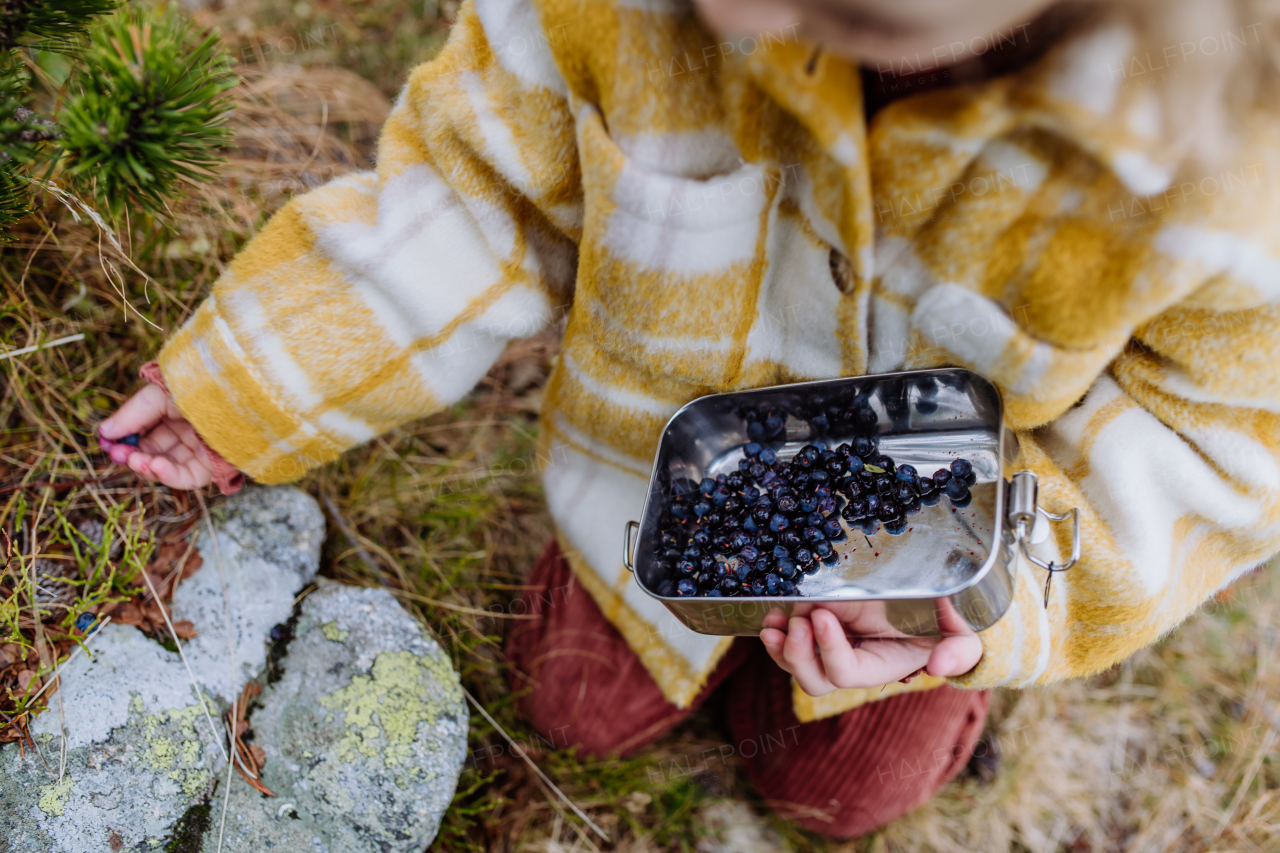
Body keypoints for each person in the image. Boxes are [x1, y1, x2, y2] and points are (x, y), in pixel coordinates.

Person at [98, 0, 1280, 837]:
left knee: (835, 795)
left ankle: (939, 689)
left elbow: (1207, 442)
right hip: (640, 508)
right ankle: (677, 636)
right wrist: (256, 378)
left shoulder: (1226, 163)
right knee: (566, 705)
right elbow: (476, 189)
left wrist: (984, 603)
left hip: (922, 562)